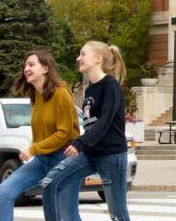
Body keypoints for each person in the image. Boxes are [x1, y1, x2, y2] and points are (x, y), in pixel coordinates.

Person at [41, 41, 132, 221]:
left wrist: (80, 142)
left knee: (117, 214)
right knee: (50, 183)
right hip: (89, 154)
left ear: (98, 59)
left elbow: (105, 121)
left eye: (83, 54)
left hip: (111, 156)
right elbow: (90, 123)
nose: (78, 58)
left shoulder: (111, 86)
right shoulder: (90, 89)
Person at [0, 50, 82, 221]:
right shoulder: (36, 95)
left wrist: (34, 149)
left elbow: (64, 133)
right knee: (5, 190)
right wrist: (38, 151)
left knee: (66, 216)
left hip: (65, 160)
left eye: (31, 64)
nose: (26, 68)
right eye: (25, 65)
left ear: (45, 68)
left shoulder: (61, 94)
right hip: (42, 160)